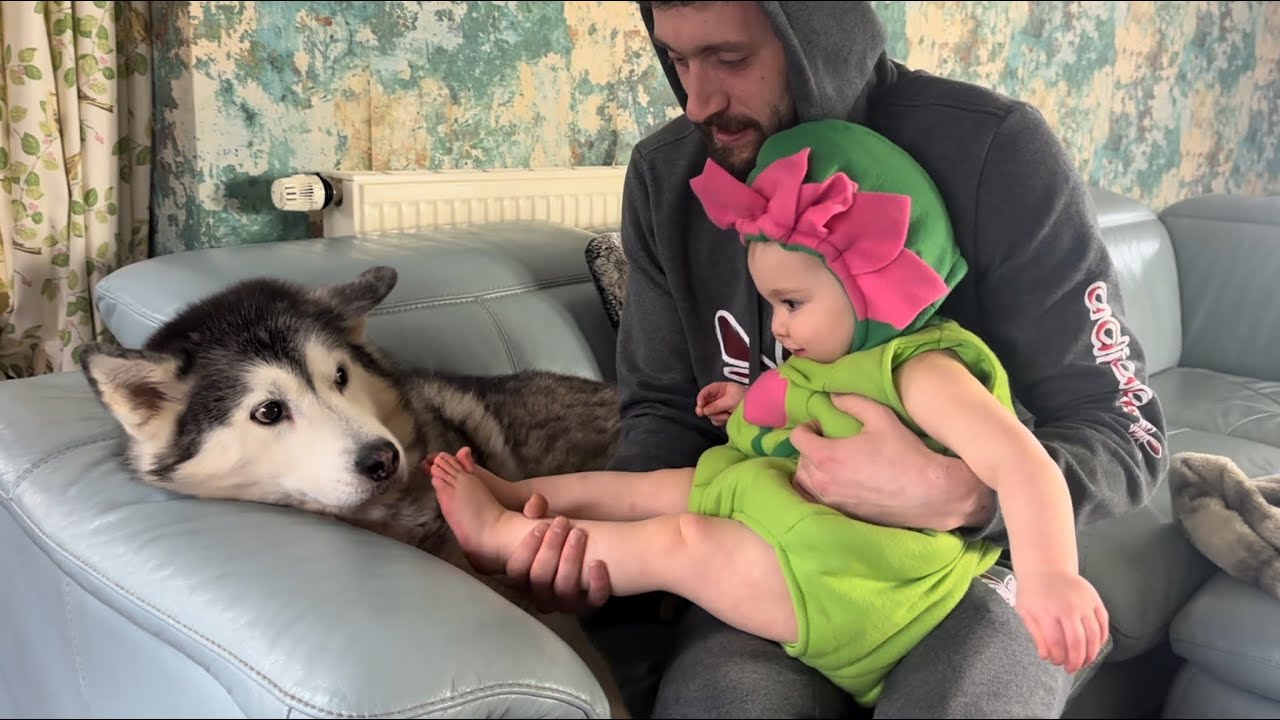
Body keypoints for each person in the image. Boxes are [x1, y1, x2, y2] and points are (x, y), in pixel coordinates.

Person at [484, 2, 1168, 717]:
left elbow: (1122, 428)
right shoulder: (667, 177)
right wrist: (598, 559)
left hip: (967, 571)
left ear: (817, 32)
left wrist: (960, 493)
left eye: (730, 58)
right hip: (769, 556)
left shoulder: (994, 151)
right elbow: (661, 414)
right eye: (679, 61)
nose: (697, 102)